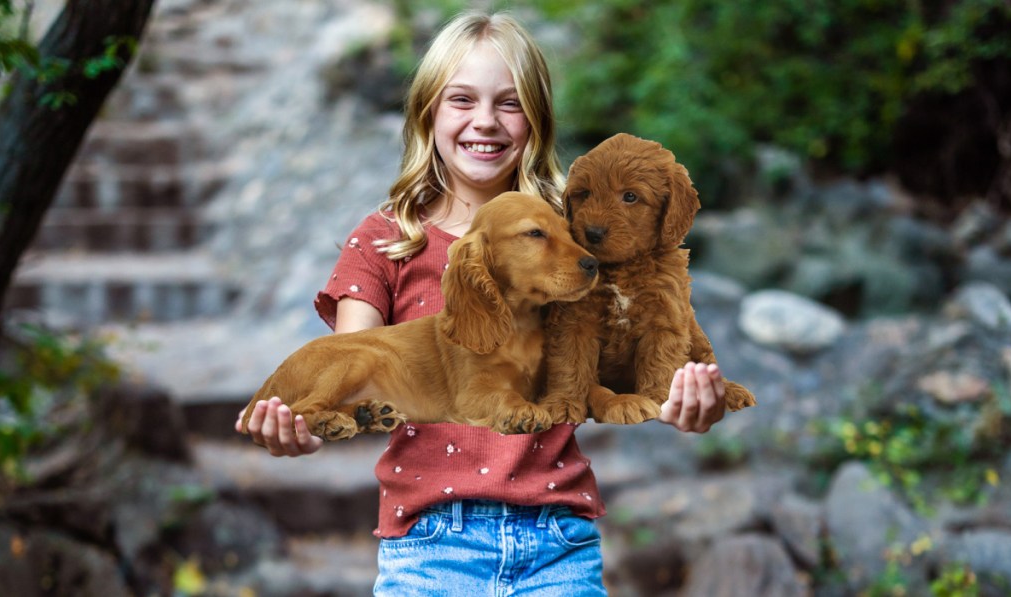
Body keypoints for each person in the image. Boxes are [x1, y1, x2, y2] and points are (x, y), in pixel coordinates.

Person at [236, 11, 728, 595]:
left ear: (536, 120)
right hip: (428, 550)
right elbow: (353, 366)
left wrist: (686, 402)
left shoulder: (575, 241)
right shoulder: (385, 241)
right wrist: (304, 427)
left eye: (510, 103)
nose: (486, 122)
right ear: (428, 113)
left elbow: (631, 362)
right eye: (462, 100)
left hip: (559, 545)